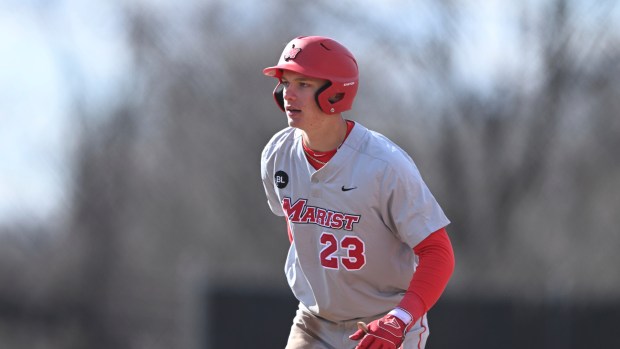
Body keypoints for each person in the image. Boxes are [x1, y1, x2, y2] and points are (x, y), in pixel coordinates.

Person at [260, 35, 455, 349]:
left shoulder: (384, 165)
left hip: (384, 322)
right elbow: (297, 225)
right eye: (286, 82)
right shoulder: (277, 154)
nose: (288, 94)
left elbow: (438, 253)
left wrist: (401, 318)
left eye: (304, 84)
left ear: (336, 93)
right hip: (314, 321)